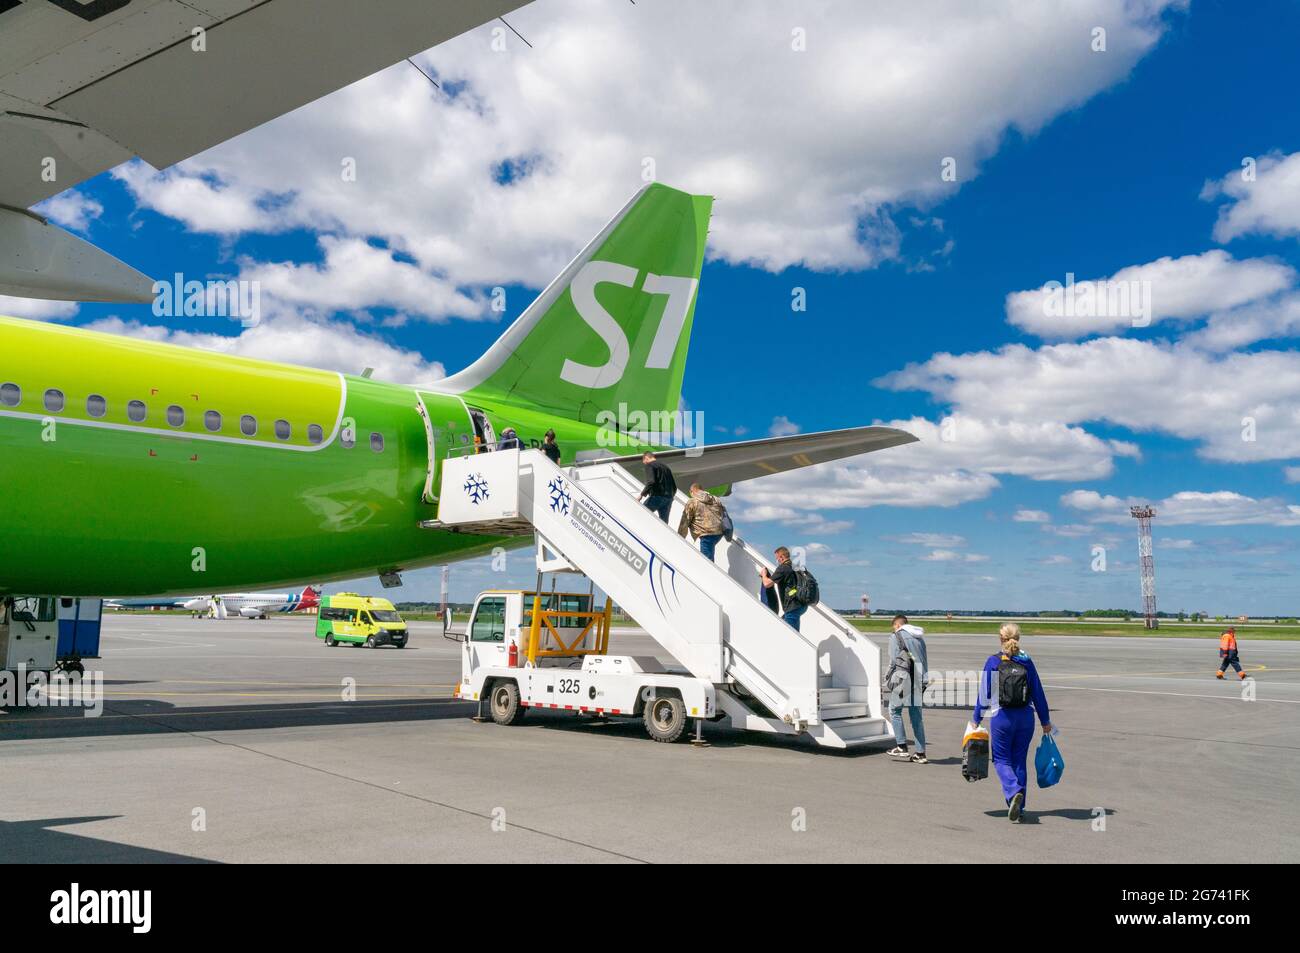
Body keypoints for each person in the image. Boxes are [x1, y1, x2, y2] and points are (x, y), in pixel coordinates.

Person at [971, 623, 1051, 823]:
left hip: (1002, 717)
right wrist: (1045, 720)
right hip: (1026, 717)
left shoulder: (993, 661)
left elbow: (985, 694)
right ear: (1018, 638)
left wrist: (976, 718)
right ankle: (1020, 808)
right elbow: (1038, 692)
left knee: (1001, 760)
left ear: (1000, 638)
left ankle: (1013, 790)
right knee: (1019, 761)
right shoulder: (1027, 662)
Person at [885, 614, 929, 764]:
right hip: (919, 680)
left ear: (897, 625)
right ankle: (920, 754)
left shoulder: (896, 636)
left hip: (903, 680)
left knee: (894, 710)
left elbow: (893, 661)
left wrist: (887, 678)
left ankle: (901, 746)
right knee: (916, 717)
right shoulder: (919, 638)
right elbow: (924, 661)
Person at [760, 547, 806, 631]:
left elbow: (767, 584)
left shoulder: (783, 568)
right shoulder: (795, 566)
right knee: (782, 625)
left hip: (792, 606)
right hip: (801, 604)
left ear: (781, 557)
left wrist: (763, 574)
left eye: (777, 558)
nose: (777, 561)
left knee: (792, 635)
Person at [677, 483, 727, 561]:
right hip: (719, 532)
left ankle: (709, 571)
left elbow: (685, 520)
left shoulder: (692, 501)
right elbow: (723, 513)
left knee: (706, 560)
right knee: (709, 551)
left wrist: (680, 536)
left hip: (706, 533)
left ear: (691, 491)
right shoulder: (715, 499)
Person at [637, 451, 676, 523]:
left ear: (646, 458)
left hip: (657, 497)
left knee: (641, 514)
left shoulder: (650, 465)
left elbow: (651, 481)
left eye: (644, 462)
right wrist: (671, 497)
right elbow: (674, 485)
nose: (644, 463)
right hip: (668, 498)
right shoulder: (666, 467)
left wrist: (641, 495)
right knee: (664, 523)